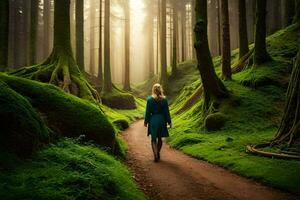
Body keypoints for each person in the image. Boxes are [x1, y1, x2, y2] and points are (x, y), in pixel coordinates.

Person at [144, 83, 172, 162]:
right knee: (160, 138)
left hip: (153, 120)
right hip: (162, 120)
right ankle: (158, 152)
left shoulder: (149, 100)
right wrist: (169, 121)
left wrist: (146, 121)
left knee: (153, 139)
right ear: (160, 90)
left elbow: (148, 112)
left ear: (153, 90)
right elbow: (167, 112)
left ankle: (155, 155)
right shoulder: (164, 100)